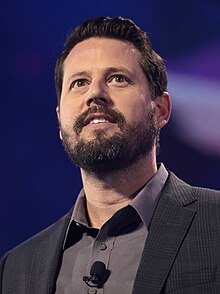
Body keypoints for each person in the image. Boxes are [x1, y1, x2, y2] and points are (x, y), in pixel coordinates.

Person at [1, 16, 220, 294]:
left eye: (118, 78)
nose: (95, 94)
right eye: (79, 83)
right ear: (60, 121)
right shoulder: (16, 268)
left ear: (161, 110)